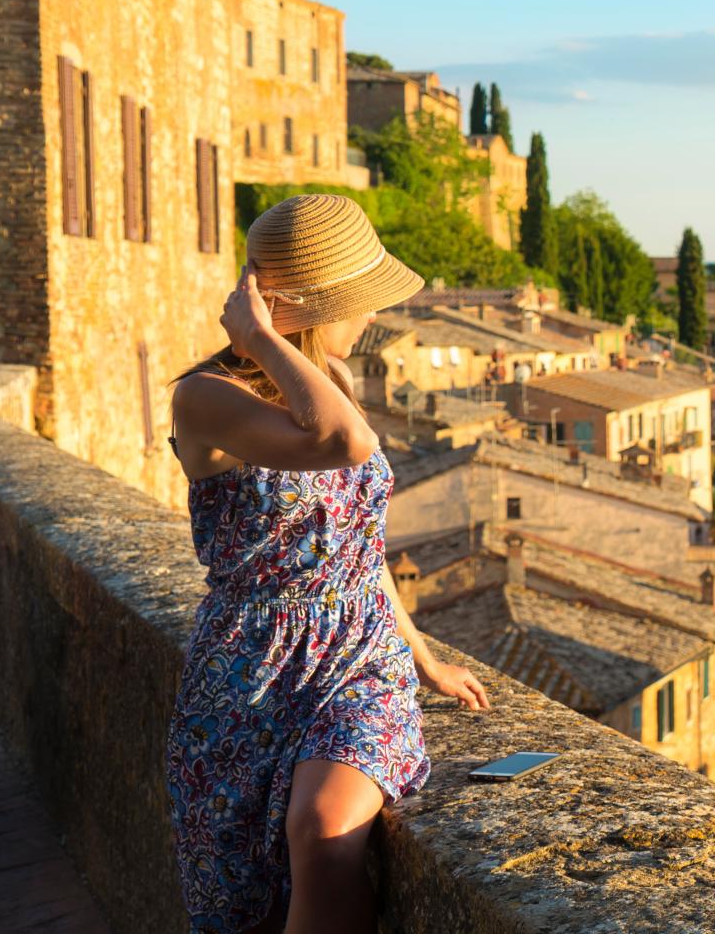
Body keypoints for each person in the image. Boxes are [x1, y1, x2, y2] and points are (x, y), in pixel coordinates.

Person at [164, 194, 490, 934]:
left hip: (357, 661)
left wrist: (424, 658)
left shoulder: (333, 383)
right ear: (304, 309)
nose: (371, 316)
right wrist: (257, 338)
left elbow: (354, 548)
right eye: (359, 300)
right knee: (240, 898)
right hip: (246, 674)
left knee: (323, 829)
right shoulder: (206, 398)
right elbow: (346, 446)